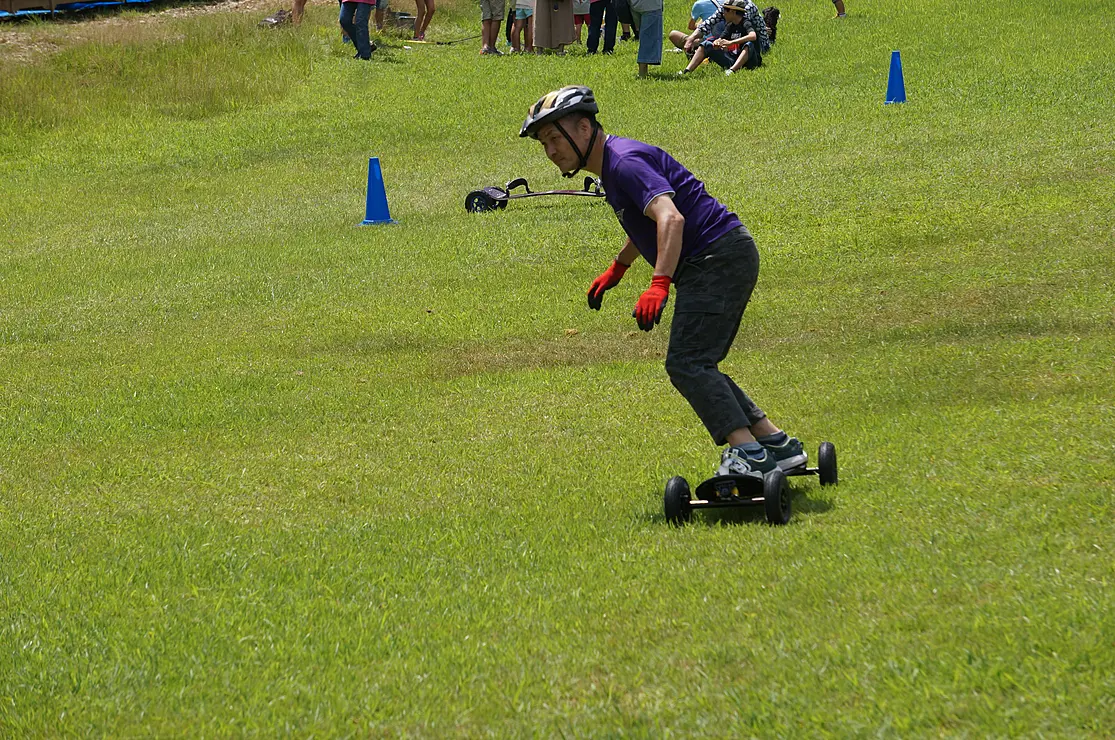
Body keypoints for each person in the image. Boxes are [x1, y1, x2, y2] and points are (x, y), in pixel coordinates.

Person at [519, 86, 807, 478]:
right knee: (698, 362)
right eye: (544, 144)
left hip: (715, 259)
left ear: (584, 128)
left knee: (688, 363)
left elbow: (671, 219)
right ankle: (777, 445)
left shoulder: (623, 163)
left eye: (554, 138)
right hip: (720, 257)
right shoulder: (613, 164)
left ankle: (750, 455)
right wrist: (618, 268)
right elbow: (646, 222)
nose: (551, 151)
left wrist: (659, 283)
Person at [677, 0, 760, 76]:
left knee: (749, 44)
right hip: (733, 58)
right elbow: (721, 39)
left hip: (750, 61)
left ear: (733, 12)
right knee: (706, 44)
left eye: (725, 10)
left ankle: (732, 70)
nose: (723, 14)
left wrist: (731, 43)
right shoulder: (730, 26)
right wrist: (717, 43)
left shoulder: (746, 23)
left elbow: (753, 36)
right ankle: (687, 71)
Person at [682, 0, 768, 59]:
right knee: (717, 25)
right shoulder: (728, 6)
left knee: (727, 27)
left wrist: (727, 43)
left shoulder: (746, 7)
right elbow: (708, 23)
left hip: (757, 44)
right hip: (736, 39)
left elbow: (743, 31)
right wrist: (691, 39)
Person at [628, 0, 663, 77]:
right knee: (648, 39)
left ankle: (643, 71)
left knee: (644, 36)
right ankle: (642, 72)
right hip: (650, 6)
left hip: (634, 4)